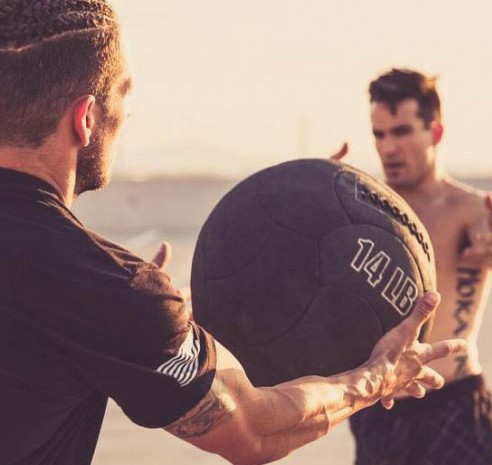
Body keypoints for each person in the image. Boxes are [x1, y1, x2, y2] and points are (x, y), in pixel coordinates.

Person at [0, 4, 466, 465]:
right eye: (122, 98)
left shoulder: (97, 292)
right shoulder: (100, 288)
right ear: (86, 118)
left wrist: (144, 318)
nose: (126, 118)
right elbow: (254, 430)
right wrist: (375, 377)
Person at [347, 68, 492, 465]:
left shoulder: (471, 208)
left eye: (402, 132)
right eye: (380, 134)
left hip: (455, 402)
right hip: (381, 405)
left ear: (435, 132)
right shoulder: (359, 206)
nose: (388, 147)